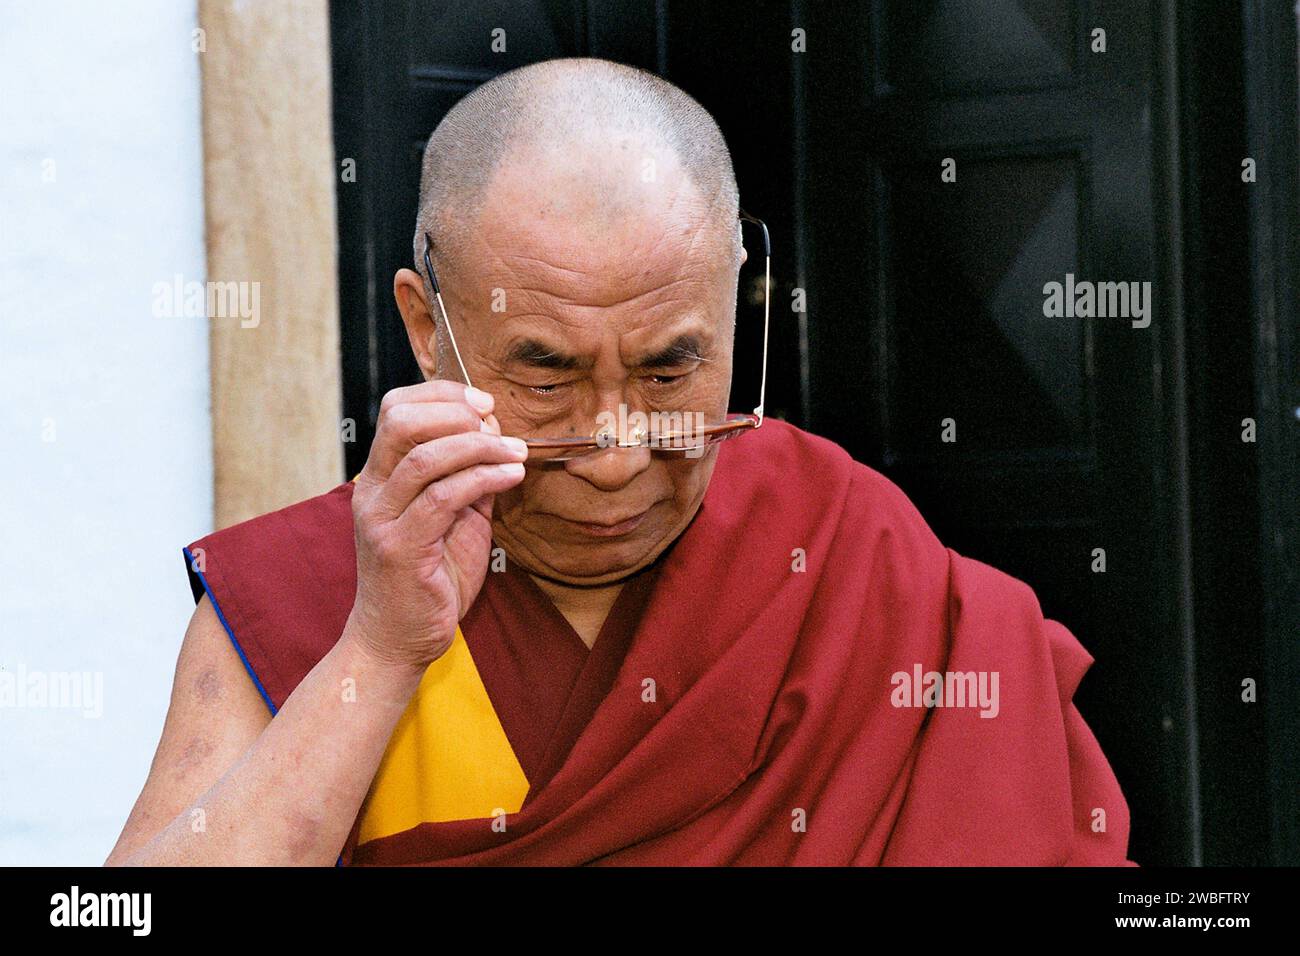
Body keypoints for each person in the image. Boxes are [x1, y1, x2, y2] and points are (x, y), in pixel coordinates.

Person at [106, 57, 1133, 866]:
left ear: (733, 315)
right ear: (428, 330)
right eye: (546, 375)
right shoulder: (306, 595)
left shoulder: (849, 551)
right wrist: (376, 651)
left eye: (667, 370)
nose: (614, 452)